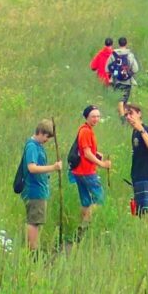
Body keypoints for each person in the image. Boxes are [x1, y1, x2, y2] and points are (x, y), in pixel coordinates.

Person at [68, 105, 110, 237]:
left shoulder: (84, 129)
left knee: (85, 201)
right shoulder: (86, 131)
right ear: (87, 117)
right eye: (93, 116)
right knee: (99, 200)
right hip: (87, 172)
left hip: (79, 172)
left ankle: (81, 229)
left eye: (98, 116)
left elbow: (85, 149)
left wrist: (96, 153)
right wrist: (102, 164)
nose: (96, 119)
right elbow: (86, 153)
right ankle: (83, 228)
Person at [20, 120, 61, 252]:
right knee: (33, 221)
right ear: (42, 133)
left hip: (40, 189)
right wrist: (53, 167)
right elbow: (31, 168)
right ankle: (32, 250)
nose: (47, 140)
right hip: (34, 190)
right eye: (47, 137)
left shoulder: (38, 146)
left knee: (37, 221)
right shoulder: (32, 146)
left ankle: (34, 247)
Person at [122, 103, 148, 216]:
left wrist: (142, 130)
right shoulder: (135, 131)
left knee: (145, 211)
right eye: (126, 114)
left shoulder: (144, 129)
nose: (128, 117)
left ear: (139, 114)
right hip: (137, 177)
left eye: (131, 113)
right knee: (139, 213)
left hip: (145, 176)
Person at [107, 37, 140, 109]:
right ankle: (123, 116)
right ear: (126, 43)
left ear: (118, 44)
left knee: (119, 99)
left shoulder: (113, 55)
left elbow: (107, 68)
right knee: (124, 99)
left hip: (116, 80)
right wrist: (129, 74)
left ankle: (122, 115)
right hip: (127, 81)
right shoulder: (130, 55)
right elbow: (135, 69)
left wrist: (114, 73)